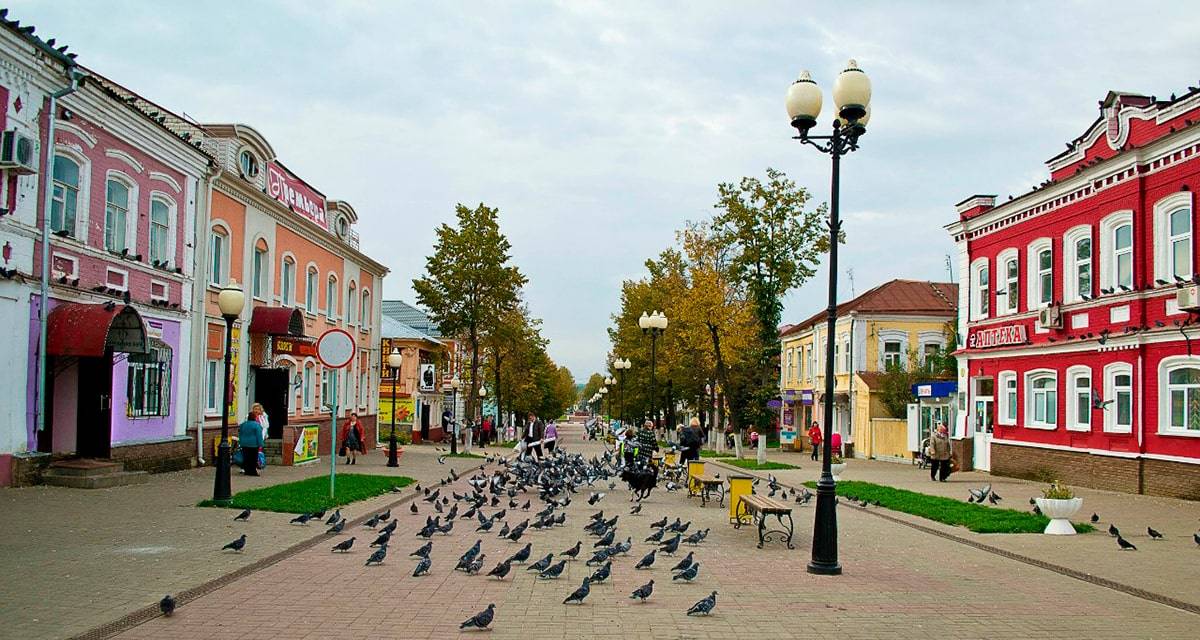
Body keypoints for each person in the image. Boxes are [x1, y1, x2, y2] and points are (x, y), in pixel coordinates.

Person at [237, 410, 263, 476]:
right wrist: (260, 444)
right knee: (253, 458)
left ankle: (247, 471)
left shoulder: (243, 425)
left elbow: (240, 433)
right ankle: (253, 472)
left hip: (244, 444)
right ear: (254, 417)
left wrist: (240, 442)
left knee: (246, 458)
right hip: (253, 444)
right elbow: (259, 435)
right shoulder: (257, 425)